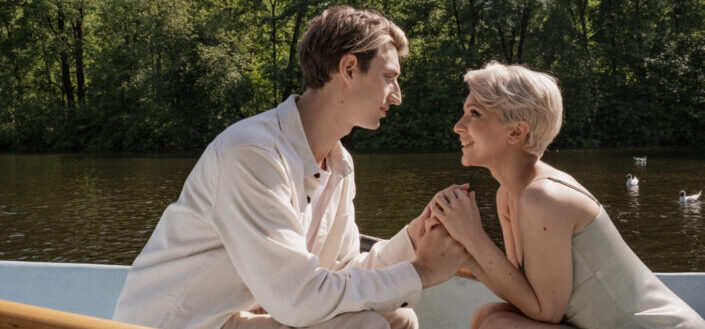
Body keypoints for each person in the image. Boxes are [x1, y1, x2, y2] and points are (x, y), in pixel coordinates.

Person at [112, 6, 468, 329]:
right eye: (389, 76)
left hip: (240, 314)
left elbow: (340, 273)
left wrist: (412, 239)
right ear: (348, 69)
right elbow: (299, 298)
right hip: (179, 323)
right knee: (367, 327)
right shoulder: (252, 153)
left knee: (400, 318)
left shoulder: (339, 164)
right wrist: (420, 272)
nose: (397, 95)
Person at [426, 61, 705, 329]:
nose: (458, 126)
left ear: (517, 131)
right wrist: (462, 245)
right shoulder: (509, 195)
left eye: (474, 113)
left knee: (498, 325)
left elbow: (546, 311)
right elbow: (521, 292)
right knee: (489, 316)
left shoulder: (543, 196)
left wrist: (473, 236)